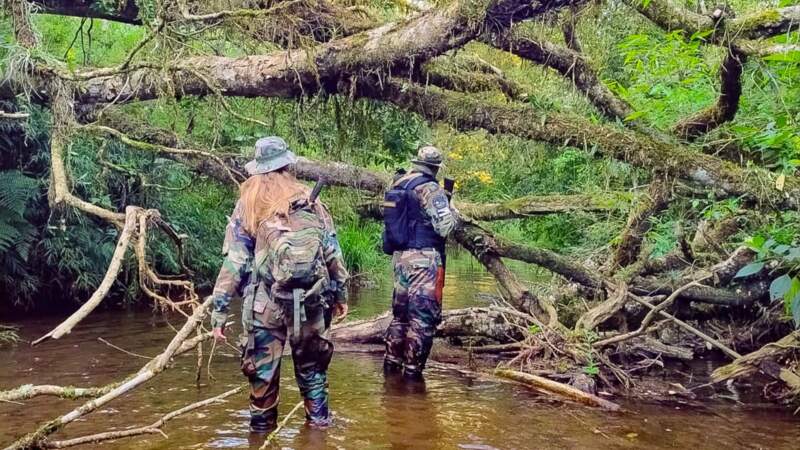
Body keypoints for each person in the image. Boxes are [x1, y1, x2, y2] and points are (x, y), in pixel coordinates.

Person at [209, 136, 349, 433]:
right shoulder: (311, 201)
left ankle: (261, 435)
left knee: (262, 379)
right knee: (313, 375)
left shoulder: (249, 204)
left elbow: (234, 263)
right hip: (311, 304)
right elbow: (333, 253)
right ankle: (318, 432)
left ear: (258, 169)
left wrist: (219, 312)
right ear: (288, 164)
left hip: (265, 307)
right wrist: (340, 295)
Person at [382, 145, 456, 379]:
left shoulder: (398, 183)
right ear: (436, 168)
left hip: (400, 259)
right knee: (422, 321)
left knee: (400, 317)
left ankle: (391, 368)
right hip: (425, 260)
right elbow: (445, 227)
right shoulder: (431, 188)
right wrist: (452, 210)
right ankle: (413, 376)